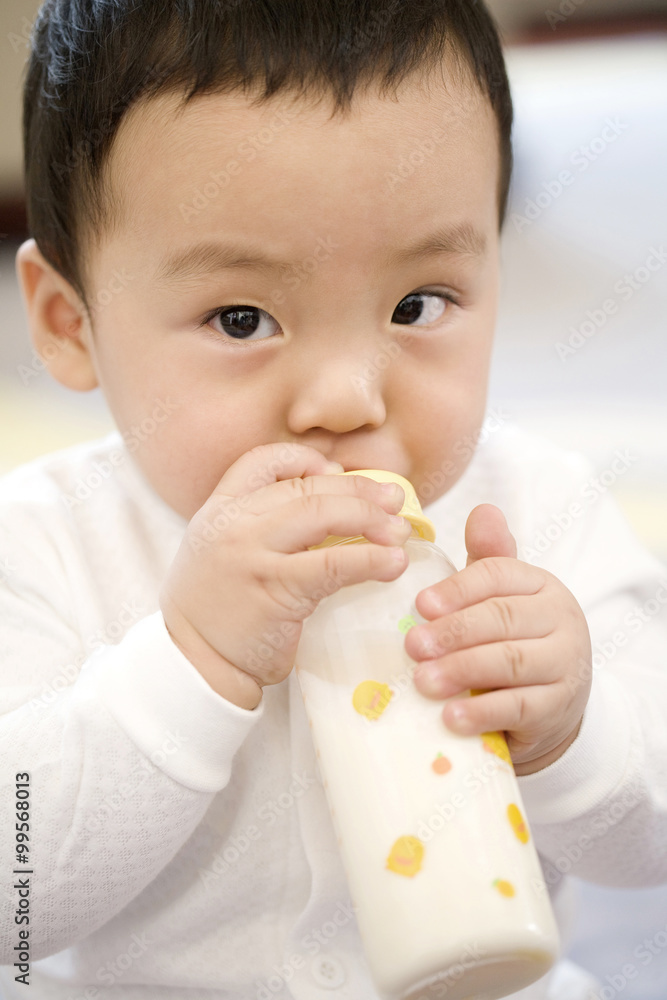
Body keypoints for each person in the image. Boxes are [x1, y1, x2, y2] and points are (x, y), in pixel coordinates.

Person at [1, 0, 666, 997]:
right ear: (69, 324)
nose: (346, 398)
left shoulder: (537, 514)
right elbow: (18, 890)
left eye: (417, 305)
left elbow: (648, 844)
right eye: (241, 317)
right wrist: (192, 660)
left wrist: (575, 726)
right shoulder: (45, 542)